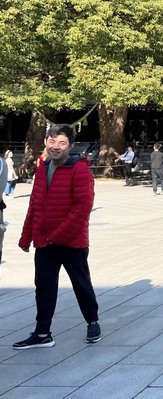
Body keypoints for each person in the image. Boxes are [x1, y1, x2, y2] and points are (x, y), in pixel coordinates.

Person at [14, 124, 101, 349]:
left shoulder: (80, 170)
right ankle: (42, 333)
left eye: (62, 143)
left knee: (81, 283)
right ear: (46, 142)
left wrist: (57, 235)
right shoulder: (42, 168)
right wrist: (26, 237)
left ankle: (93, 322)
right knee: (43, 287)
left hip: (72, 241)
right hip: (44, 241)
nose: (56, 146)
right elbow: (35, 204)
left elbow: (83, 207)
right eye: (52, 141)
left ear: (70, 146)